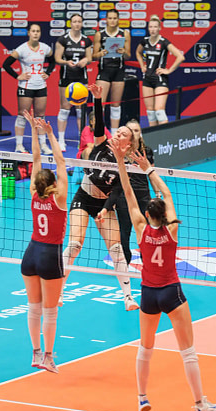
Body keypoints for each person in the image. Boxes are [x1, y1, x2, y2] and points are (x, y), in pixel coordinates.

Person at [109, 138, 216, 411]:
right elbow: (167, 194)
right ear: (164, 214)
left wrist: (122, 162)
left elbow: (127, 192)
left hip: (148, 293)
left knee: (145, 349)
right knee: (188, 352)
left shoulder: (139, 227)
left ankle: (141, 399)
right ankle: (200, 404)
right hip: (171, 291)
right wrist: (149, 169)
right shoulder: (172, 229)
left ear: (148, 215)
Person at [63, 84, 138, 311]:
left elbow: (117, 191)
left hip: (104, 204)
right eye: (118, 131)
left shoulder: (127, 164)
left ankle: (128, 297)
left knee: (116, 249)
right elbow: (100, 123)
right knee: (75, 243)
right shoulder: (101, 143)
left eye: (123, 134)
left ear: (129, 143)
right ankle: (58, 290)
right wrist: (97, 99)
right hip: (83, 197)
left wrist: (105, 209)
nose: (118, 134)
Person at [20, 110, 67, 374]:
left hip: (31, 253)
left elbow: (35, 158)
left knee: (33, 307)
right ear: (53, 184)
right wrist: (50, 133)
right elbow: (60, 162)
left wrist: (33, 130)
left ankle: (36, 352)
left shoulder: (33, 194)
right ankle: (48, 356)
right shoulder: (59, 198)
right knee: (50, 312)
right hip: (50, 256)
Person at [4, 23, 55, 155]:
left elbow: (53, 60)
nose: (36, 33)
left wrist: (48, 72)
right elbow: (6, 64)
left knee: (40, 116)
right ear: (29, 33)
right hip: (25, 87)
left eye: (38, 31)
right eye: (33, 31)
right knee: (22, 115)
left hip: (41, 86)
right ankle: (19, 145)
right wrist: (17, 76)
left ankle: (43, 144)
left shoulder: (45, 48)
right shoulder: (22, 49)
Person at [112, 119, 156, 264]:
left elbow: (152, 174)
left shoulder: (147, 151)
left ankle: (147, 260)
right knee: (124, 231)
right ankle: (125, 262)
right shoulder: (119, 152)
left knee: (147, 230)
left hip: (143, 195)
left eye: (136, 130)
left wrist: (158, 193)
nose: (134, 133)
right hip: (125, 196)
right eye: (131, 130)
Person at [135, 15, 185, 126]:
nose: (153, 29)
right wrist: (142, 65)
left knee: (159, 110)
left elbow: (180, 57)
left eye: (155, 27)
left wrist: (168, 70)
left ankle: (165, 137)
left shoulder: (163, 42)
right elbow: (138, 52)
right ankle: (153, 138)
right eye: (151, 27)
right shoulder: (145, 41)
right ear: (148, 28)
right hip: (147, 79)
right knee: (150, 111)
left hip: (160, 79)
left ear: (159, 28)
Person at [55, 13, 92, 151]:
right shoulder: (63, 39)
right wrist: (66, 62)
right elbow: (57, 58)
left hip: (82, 78)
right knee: (64, 109)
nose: (77, 24)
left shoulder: (86, 40)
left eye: (79, 21)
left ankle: (81, 139)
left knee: (81, 110)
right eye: (74, 21)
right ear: (71, 23)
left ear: (82, 24)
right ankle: (61, 140)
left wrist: (85, 61)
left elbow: (89, 57)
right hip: (66, 77)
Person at [93, 9, 131, 131]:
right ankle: (99, 131)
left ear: (118, 19)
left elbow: (128, 55)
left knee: (116, 105)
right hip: (104, 71)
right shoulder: (100, 34)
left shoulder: (124, 33)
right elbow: (93, 56)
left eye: (115, 18)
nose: (112, 20)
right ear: (106, 20)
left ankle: (115, 134)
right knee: (100, 104)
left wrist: (123, 52)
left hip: (118, 71)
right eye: (110, 18)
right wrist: (101, 53)